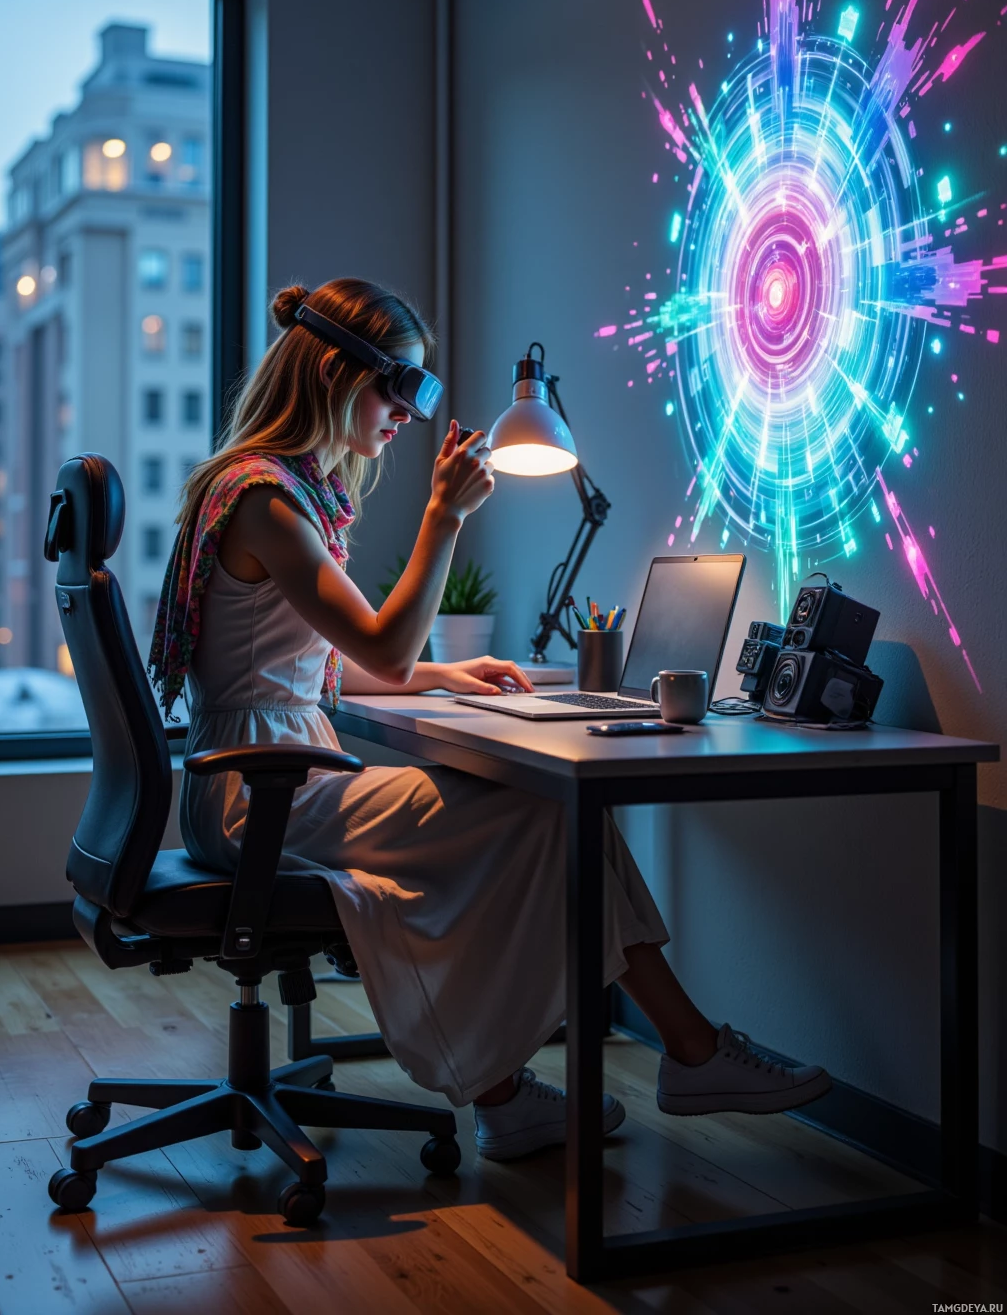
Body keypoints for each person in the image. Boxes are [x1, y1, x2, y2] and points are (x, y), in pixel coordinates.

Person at [150, 276, 831, 1162]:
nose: (410, 413)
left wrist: (447, 673)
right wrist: (443, 519)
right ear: (332, 373)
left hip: (260, 775)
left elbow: (318, 663)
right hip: (259, 796)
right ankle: (677, 1052)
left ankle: (517, 1090)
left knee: (533, 818)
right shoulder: (266, 500)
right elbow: (381, 652)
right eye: (399, 387)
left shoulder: (265, 487)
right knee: (546, 813)